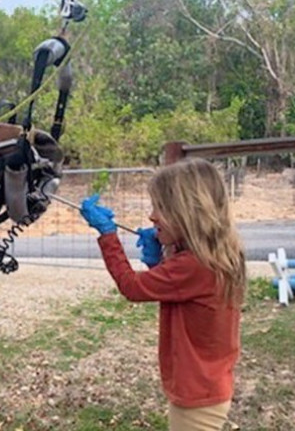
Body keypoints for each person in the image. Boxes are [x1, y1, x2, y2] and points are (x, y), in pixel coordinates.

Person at [80, 158, 245, 431]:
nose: (152, 216)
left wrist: (108, 236)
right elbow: (181, 291)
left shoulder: (194, 264)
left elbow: (132, 287)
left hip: (198, 395)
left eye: (161, 208)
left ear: (190, 212)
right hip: (206, 386)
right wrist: (158, 263)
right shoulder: (209, 257)